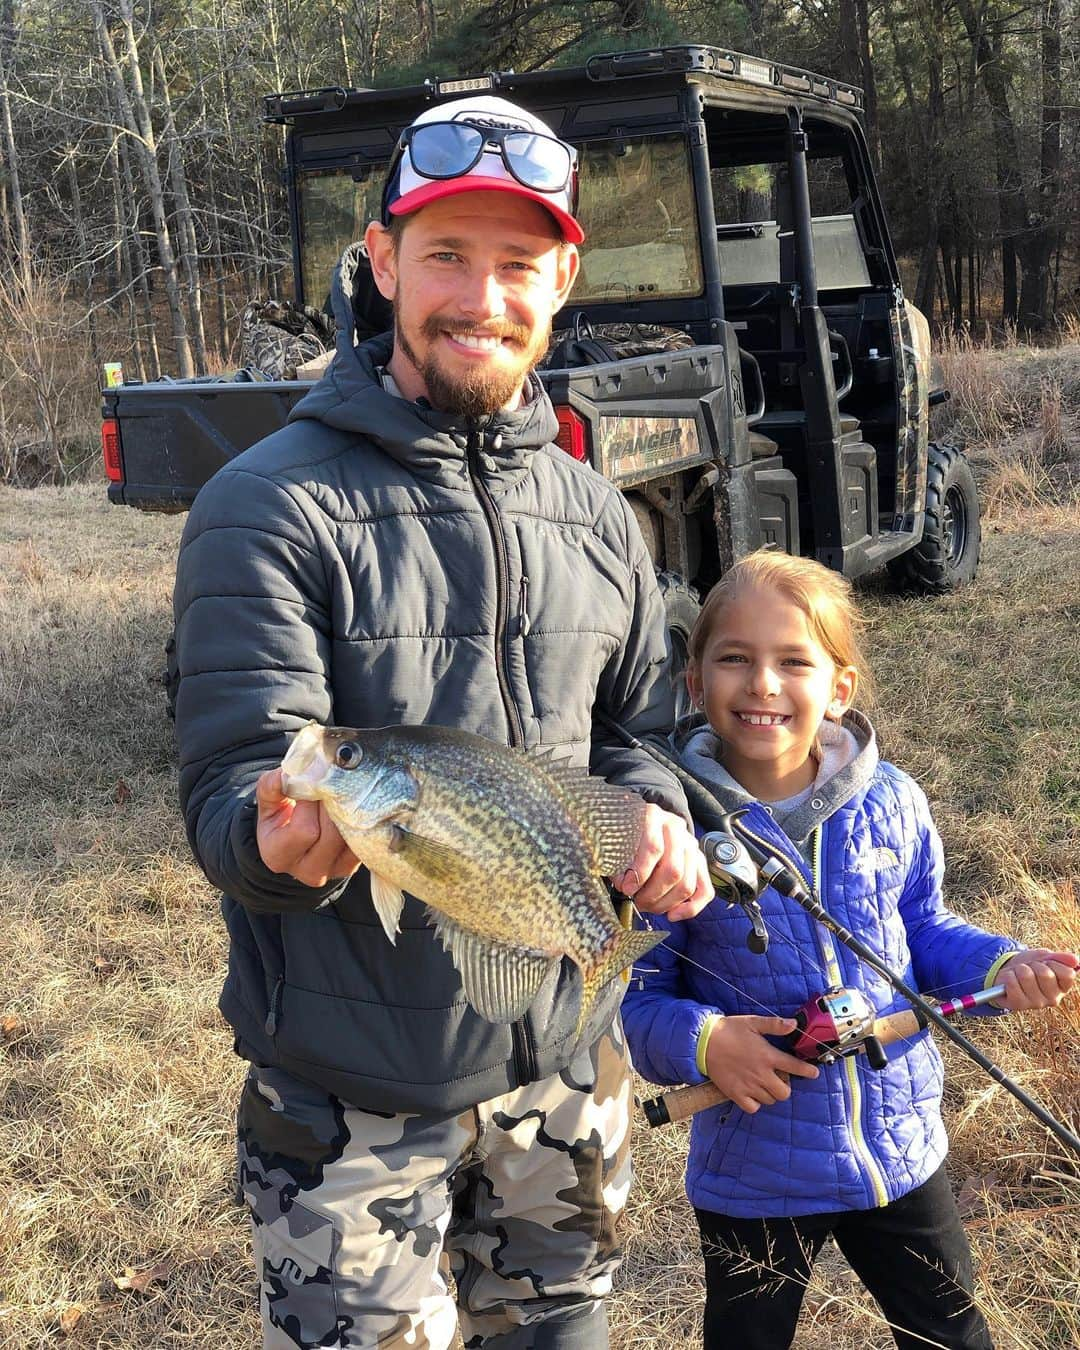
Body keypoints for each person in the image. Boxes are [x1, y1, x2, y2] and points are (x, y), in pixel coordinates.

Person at [172, 94, 713, 1350]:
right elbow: (237, 775)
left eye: (518, 264)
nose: (482, 299)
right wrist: (272, 850)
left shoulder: (596, 513)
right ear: (381, 262)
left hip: (566, 1081)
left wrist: (662, 819)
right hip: (353, 1103)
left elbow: (644, 732)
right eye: (446, 259)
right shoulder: (268, 506)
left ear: (563, 277)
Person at [621, 548, 1078, 1350]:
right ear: (694, 682)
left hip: (899, 1153)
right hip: (751, 1172)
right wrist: (707, 1042)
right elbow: (638, 997)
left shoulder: (892, 802)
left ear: (838, 688)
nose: (763, 684)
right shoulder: (670, 833)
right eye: (735, 659)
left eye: (793, 662)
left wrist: (1005, 967)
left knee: (951, 1334)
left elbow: (926, 932)